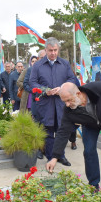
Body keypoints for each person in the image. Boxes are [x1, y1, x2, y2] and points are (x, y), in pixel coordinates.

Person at [46, 82, 101, 189]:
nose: (67, 104)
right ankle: (93, 184)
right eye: (64, 101)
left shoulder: (99, 88)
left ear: (78, 94)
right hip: (90, 125)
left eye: (69, 100)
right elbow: (63, 132)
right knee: (89, 151)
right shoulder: (69, 110)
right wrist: (55, 157)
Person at [29, 37, 78, 166]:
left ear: (58, 50)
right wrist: (45, 90)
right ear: (46, 50)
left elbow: (72, 79)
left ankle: (61, 156)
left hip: (62, 104)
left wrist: (62, 88)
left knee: (62, 131)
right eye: (50, 50)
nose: (53, 53)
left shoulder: (64, 64)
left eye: (55, 50)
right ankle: (51, 158)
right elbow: (32, 83)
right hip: (46, 105)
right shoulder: (38, 65)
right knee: (49, 133)